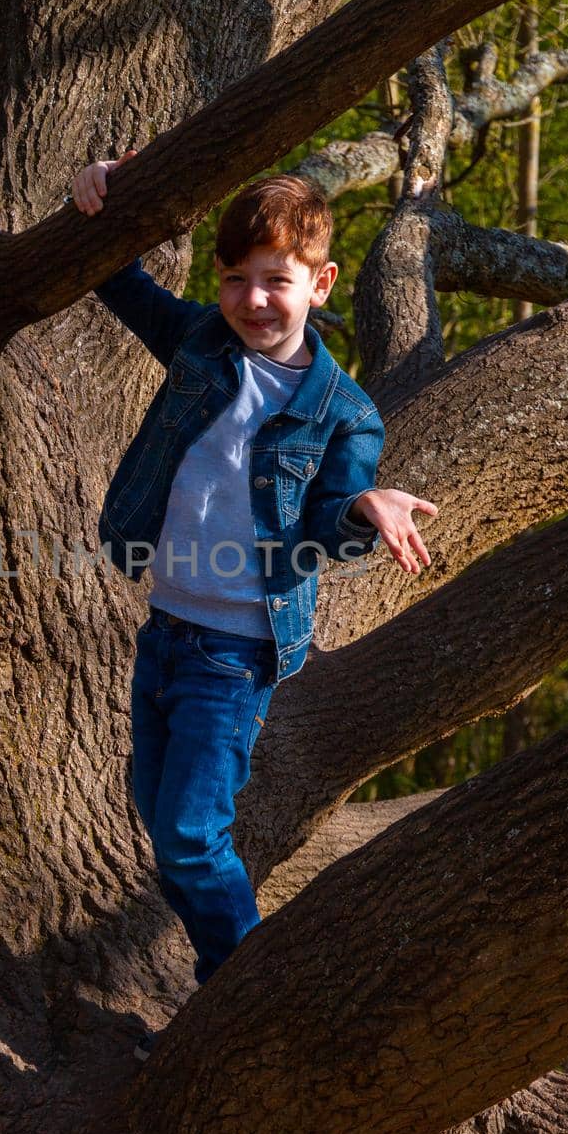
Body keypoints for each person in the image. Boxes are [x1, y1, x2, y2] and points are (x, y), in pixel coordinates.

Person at [72, 151, 437, 1059]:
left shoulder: (341, 414)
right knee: (159, 821)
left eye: (274, 280)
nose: (252, 300)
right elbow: (120, 284)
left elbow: (318, 526)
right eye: (234, 279)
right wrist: (106, 204)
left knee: (192, 840)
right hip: (164, 633)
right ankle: (233, 984)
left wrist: (365, 507)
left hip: (232, 654)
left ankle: (246, 1007)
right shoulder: (201, 344)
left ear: (319, 282)